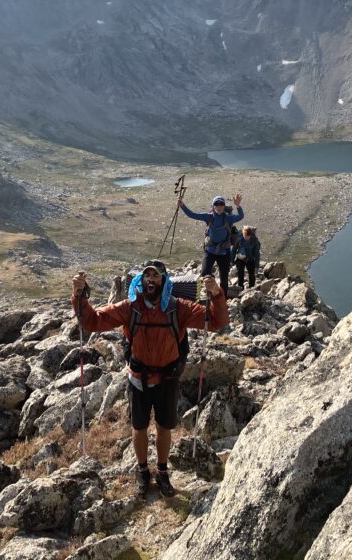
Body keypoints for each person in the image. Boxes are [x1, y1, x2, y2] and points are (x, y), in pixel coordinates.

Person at [72, 261, 227, 499]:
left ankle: (162, 472)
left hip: (168, 378)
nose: (151, 280)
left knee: (164, 428)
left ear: (164, 281)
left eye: (156, 276)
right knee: (139, 427)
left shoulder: (178, 308)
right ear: (141, 281)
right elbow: (92, 321)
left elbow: (215, 322)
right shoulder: (130, 307)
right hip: (138, 379)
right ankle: (143, 472)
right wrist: (79, 295)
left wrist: (216, 295)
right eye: (147, 276)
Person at [178, 194, 243, 293]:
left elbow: (241, 216)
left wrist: (238, 206)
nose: (219, 206)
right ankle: (213, 291)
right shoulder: (208, 217)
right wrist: (182, 205)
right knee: (204, 273)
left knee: (224, 279)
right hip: (210, 251)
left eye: (221, 204)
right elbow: (192, 215)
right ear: (213, 206)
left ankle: (223, 300)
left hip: (224, 252)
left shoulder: (228, 218)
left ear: (224, 206)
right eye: (216, 204)